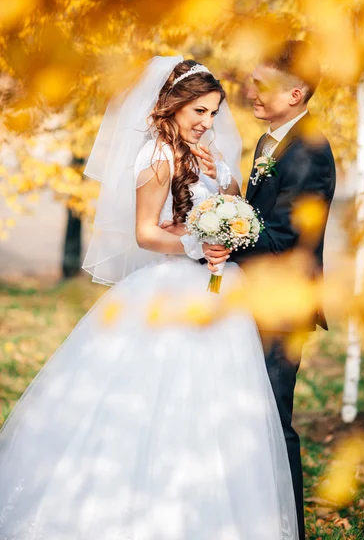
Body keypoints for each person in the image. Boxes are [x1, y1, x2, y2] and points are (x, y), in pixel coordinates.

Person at [0, 56, 298, 540]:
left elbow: (235, 207)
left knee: (219, 407)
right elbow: (144, 233)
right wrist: (197, 242)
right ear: (174, 106)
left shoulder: (212, 156)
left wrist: (224, 196)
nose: (207, 122)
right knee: (161, 399)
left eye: (214, 113)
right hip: (172, 287)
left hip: (219, 293)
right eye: (198, 111)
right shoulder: (157, 155)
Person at [205, 40, 336, 540]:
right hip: (254, 299)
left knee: (274, 422)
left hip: (281, 307)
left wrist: (220, 236)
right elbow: (259, 215)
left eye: (263, 86)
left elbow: (285, 237)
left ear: (296, 93)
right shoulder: (270, 142)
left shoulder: (310, 150)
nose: (250, 93)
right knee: (245, 416)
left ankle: (288, 530)